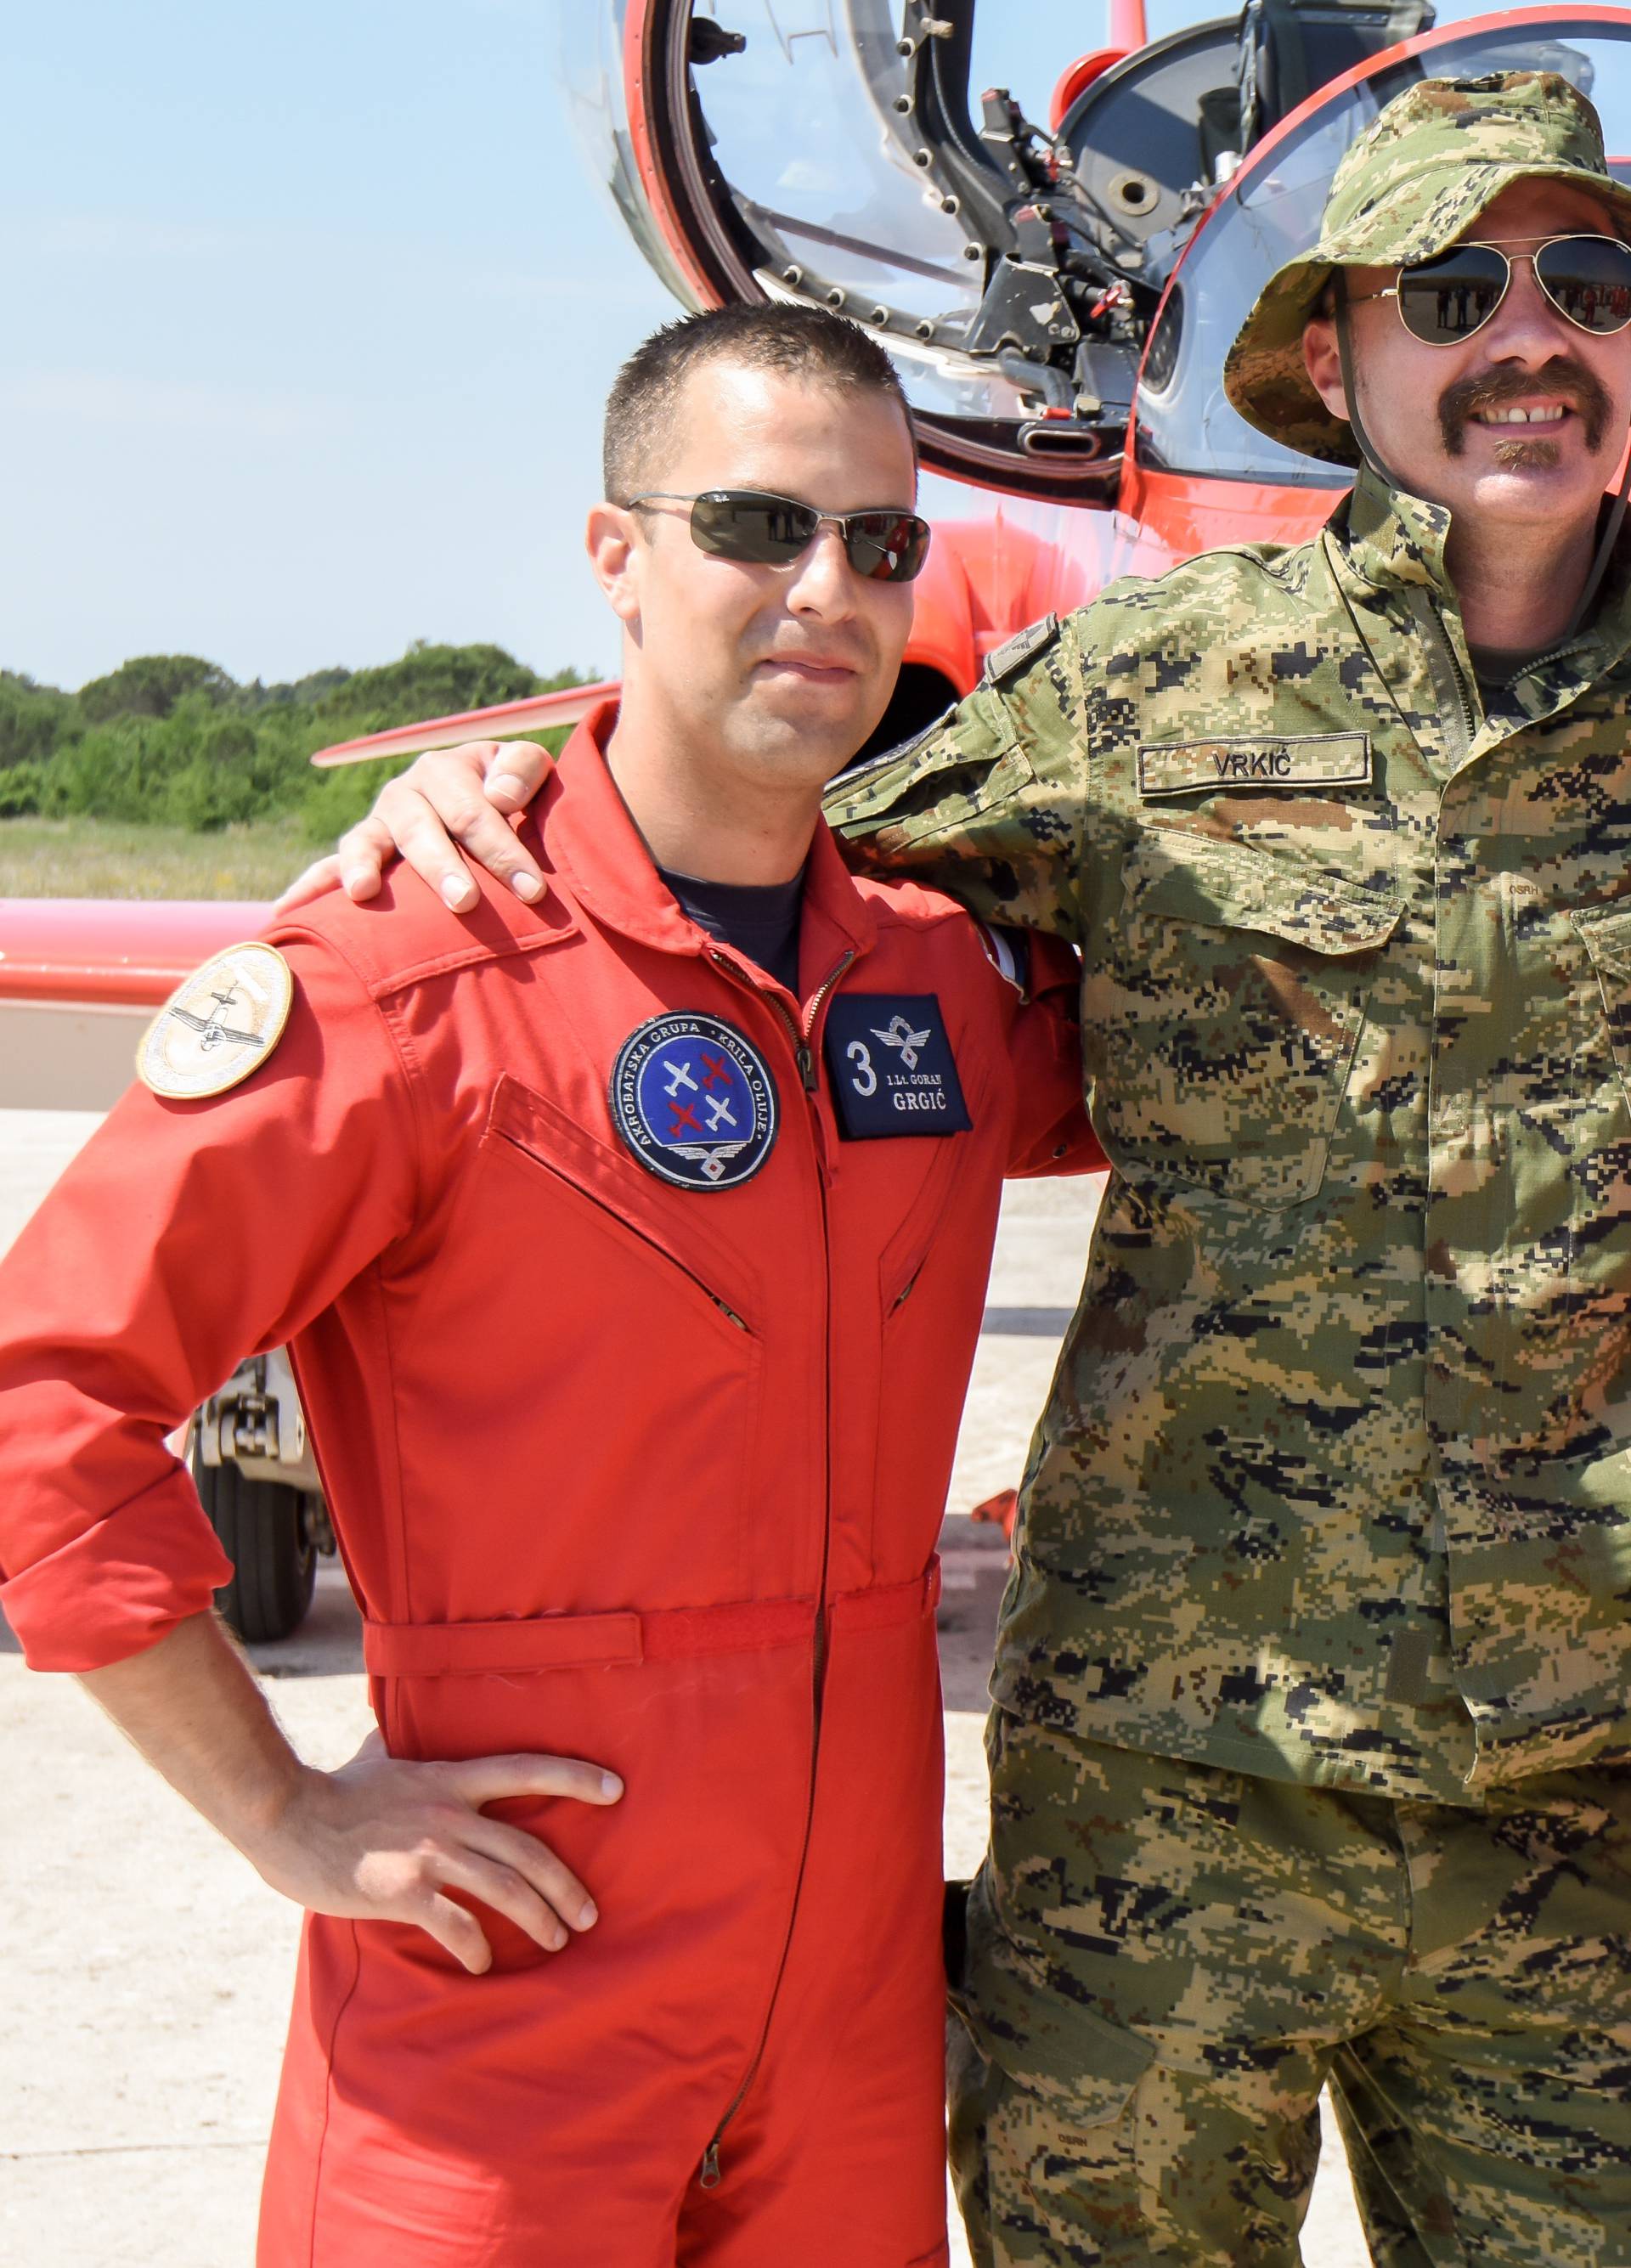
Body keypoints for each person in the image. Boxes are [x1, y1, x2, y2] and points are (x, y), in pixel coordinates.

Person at [338, 74, 1631, 2267]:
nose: (1531, 335)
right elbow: (735, 818)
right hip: (1174, 1788)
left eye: (1590, 282)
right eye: (1453, 288)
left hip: (1580, 1811)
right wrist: (480, 799)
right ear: (1338, 360)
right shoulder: (1142, 692)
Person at [0, 303, 1097, 2267]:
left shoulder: (936, 982)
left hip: (851, 2049)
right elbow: (40, 1402)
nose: (823, 590)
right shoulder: (415, 977)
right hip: (504, 2027)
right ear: (616, 556)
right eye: (757, 525)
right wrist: (280, 1812)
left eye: (878, 542)